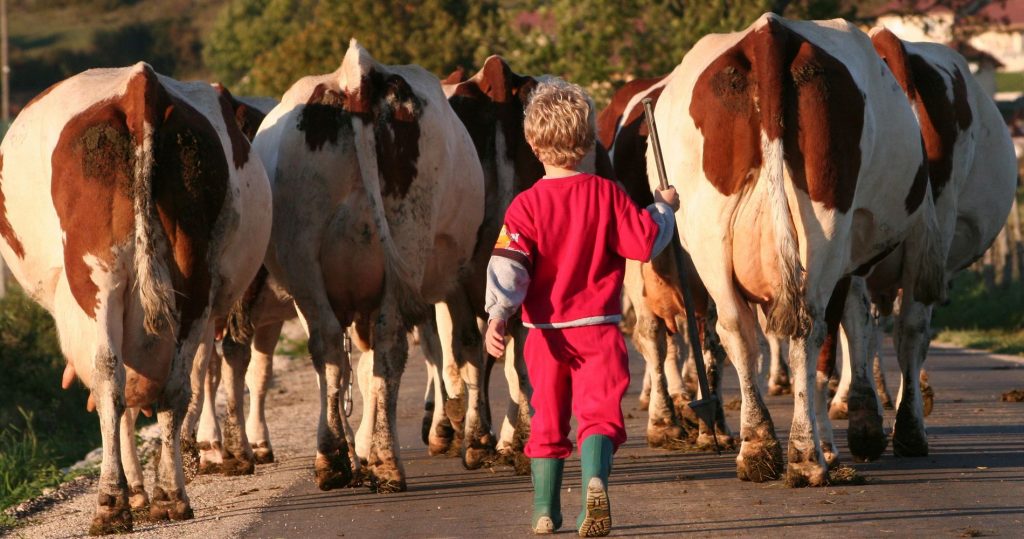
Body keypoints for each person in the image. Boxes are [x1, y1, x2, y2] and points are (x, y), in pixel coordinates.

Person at [483, 78, 680, 537]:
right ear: (589, 139)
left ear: (532, 143)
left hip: (544, 334)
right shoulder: (607, 195)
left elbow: (509, 267)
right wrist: (663, 208)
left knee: (547, 420)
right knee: (600, 415)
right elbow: (644, 242)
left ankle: (543, 511)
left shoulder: (524, 207)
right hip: (600, 330)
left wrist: (498, 314)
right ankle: (594, 479)